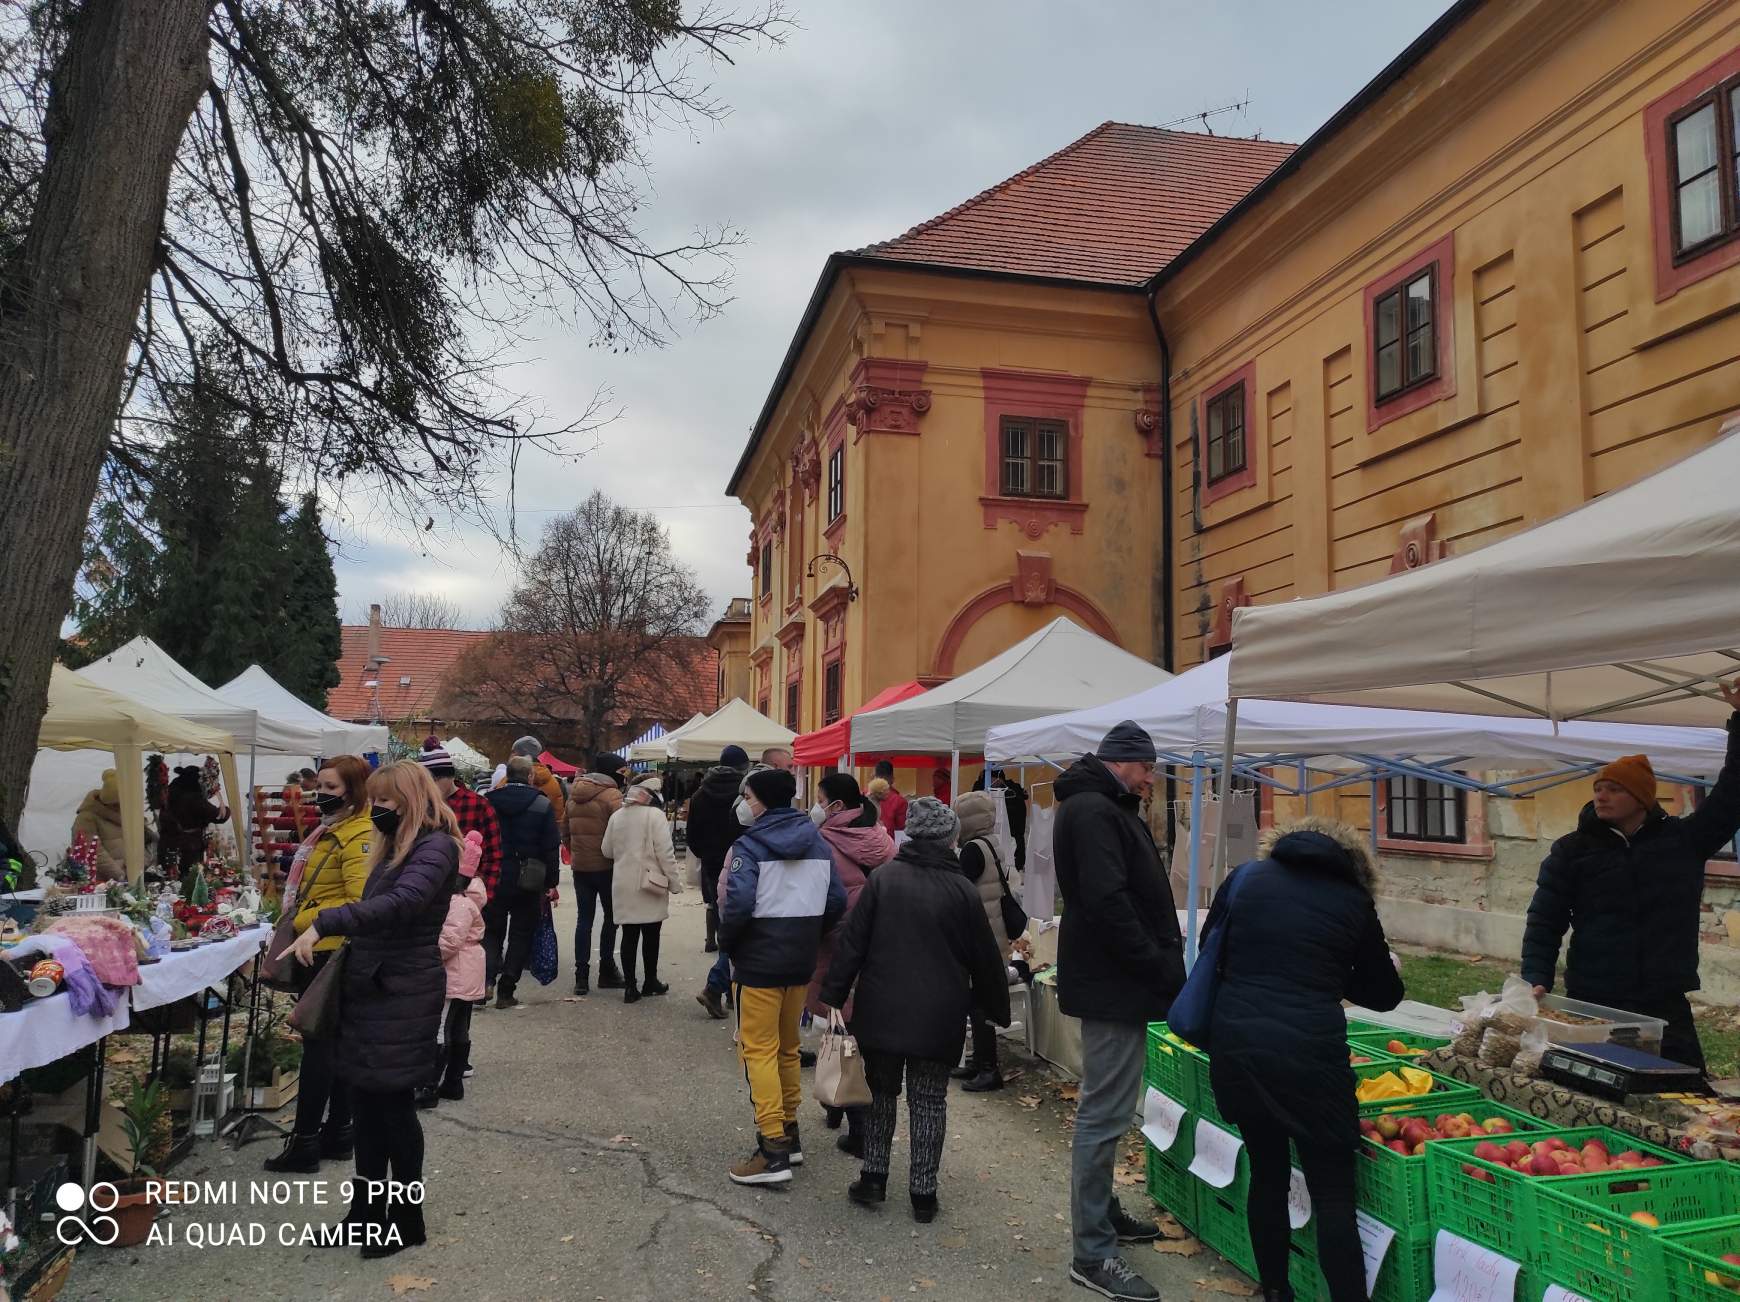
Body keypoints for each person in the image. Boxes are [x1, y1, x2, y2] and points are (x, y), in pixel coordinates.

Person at [1206, 817, 1405, 1302]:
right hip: (1311, 1059)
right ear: (1352, 862)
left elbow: (1215, 946)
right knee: (1333, 1192)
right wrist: (1333, 975)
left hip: (1240, 1047)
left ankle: (1273, 1290)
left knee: (1267, 1171)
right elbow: (1385, 994)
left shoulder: (1245, 878)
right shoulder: (1352, 901)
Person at [281, 760, 458, 1258]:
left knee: (393, 1108)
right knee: (364, 1104)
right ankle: (364, 1215)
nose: (376, 808)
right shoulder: (395, 848)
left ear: (411, 799)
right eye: (374, 800)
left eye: (385, 801)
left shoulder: (435, 847)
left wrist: (328, 921)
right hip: (372, 990)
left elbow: (402, 904)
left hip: (403, 992)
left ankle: (405, 1219)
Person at [1523, 681, 1740, 1070]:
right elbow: (1545, 918)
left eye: (1613, 789)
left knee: (1684, 1090)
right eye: (1598, 788)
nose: (1600, 796)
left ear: (1641, 798)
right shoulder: (1573, 850)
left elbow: (1732, 795)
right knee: (1599, 1086)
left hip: (1663, 998)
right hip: (1595, 996)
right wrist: (1536, 975)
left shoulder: (1682, 842)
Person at [821, 797, 1008, 1223]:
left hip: (881, 1008)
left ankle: (873, 1177)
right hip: (938, 1013)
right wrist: (995, 1008)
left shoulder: (884, 879)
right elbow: (985, 957)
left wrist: (833, 995)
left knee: (882, 1095)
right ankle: (923, 1193)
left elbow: (853, 942)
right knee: (929, 1101)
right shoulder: (961, 889)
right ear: (948, 839)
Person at [1054, 721, 1185, 1302]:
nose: (1152, 778)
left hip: (1115, 979)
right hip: (1115, 980)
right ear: (1123, 762)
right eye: (1148, 767)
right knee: (1103, 1115)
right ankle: (1092, 1251)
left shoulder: (1102, 806)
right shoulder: (1093, 811)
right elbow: (1108, 901)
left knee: (1105, 1109)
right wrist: (1155, 961)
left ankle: (1103, 1216)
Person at [719, 767, 845, 1186]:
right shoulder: (819, 843)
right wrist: (808, 933)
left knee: (757, 1050)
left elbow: (736, 906)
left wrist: (730, 944)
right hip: (799, 959)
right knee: (788, 1048)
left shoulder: (748, 846)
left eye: (748, 795)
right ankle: (789, 1134)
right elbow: (836, 900)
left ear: (760, 800)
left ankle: (772, 1145)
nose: (745, 803)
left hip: (758, 961)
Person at [263, 755, 373, 1174]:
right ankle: (337, 1133)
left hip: (331, 949)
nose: (321, 794)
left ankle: (308, 1140)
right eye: (320, 786)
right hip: (323, 946)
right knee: (333, 1045)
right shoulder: (332, 831)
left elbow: (357, 901)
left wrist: (304, 919)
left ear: (353, 791)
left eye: (330, 788)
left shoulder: (356, 834)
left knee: (320, 1047)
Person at [804, 773, 895, 1155]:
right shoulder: (881, 838)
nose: (816, 806)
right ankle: (842, 1109)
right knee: (859, 1034)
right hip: (879, 947)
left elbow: (824, 900)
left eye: (820, 798)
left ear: (836, 806)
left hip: (838, 946)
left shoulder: (823, 842)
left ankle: (853, 1122)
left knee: (841, 1035)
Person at [484, 755, 560, 1009]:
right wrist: (551, 881)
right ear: (529, 776)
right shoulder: (541, 804)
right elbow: (550, 846)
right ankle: (507, 988)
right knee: (520, 933)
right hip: (529, 877)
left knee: (492, 931)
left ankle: (486, 980)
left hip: (494, 874)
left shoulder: (489, 801)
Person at [951, 790, 1015, 1093]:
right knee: (978, 1000)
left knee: (978, 1003)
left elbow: (961, 888)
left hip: (981, 932)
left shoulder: (972, 850)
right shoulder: (991, 842)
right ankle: (979, 1062)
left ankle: (988, 1068)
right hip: (995, 929)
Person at [601, 775, 682, 1004]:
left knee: (629, 935)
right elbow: (665, 854)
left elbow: (606, 850)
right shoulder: (655, 816)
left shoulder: (617, 816)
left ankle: (629, 986)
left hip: (623, 883)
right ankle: (650, 981)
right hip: (650, 884)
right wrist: (675, 883)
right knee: (651, 935)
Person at [422, 830, 487, 1107]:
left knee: (442, 1028)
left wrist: (426, 955)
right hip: (467, 973)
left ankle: (429, 1087)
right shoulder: (467, 901)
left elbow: (449, 941)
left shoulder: (457, 904)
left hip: (455, 974)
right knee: (459, 1028)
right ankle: (453, 1082)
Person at [688, 744, 750, 1014]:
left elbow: (692, 835)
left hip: (714, 864)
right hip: (742, 860)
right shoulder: (746, 793)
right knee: (739, 929)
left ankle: (723, 990)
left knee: (727, 922)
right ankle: (720, 990)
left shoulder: (701, 793)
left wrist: (708, 855)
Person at [563, 757, 626, 995]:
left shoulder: (573, 795)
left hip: (581, 868)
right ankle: (607, 969)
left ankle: (581, 976)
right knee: (611, 918)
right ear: (611, 772)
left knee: (584, 920)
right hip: (607, 867)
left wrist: (576, 853)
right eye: (621, 771)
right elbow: (622, 831)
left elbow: (565, 831)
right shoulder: (612, 796)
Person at [421, 747, 503, 907]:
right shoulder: (422, 806)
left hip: (468, 896)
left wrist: (483, 897)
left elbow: (493, 856)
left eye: (435, 780)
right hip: (427, 896)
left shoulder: (478, 805)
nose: (431, 787)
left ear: (448, 776)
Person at [71, 768, 157, 881]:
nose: (120, 807)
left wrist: (140, 869)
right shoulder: (87, 818)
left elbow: (144, 842)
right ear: (108, 801)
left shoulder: (130, 815)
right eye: (116, 804)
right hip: (101, 883)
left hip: (132, 879)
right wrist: (120, 875)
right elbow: (92, 852)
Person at [160, 764, 232, 873]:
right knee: (189, 881)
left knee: (169, 880)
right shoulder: (194, 798)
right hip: (188, 849)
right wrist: (226, 810)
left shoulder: (170, 793)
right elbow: (218, 816)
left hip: (167, 846)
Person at [495, 736, 567, 828]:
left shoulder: (507, 780)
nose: (511, 756)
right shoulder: (554, 783)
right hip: (541, 836)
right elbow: (558, 817)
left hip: (510, 835)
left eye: (513, 752)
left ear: (520, 755)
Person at [873, 761, 908, 835]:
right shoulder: (900, 801)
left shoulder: (864, 795)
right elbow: (902, 830)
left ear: (874, 776)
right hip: (889, 843)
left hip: (867, 843)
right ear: (892, 778)